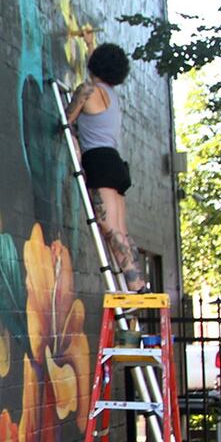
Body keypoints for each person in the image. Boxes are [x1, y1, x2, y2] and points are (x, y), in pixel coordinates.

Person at [67, 41, 147, 291]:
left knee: (109, 227)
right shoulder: (111, 94)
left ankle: (134, 284)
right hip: (115, 164)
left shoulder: (88, 91)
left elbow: (67, 118)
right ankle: (138, 280)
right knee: (121, 229)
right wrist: (91, 45)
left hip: (98, 162)